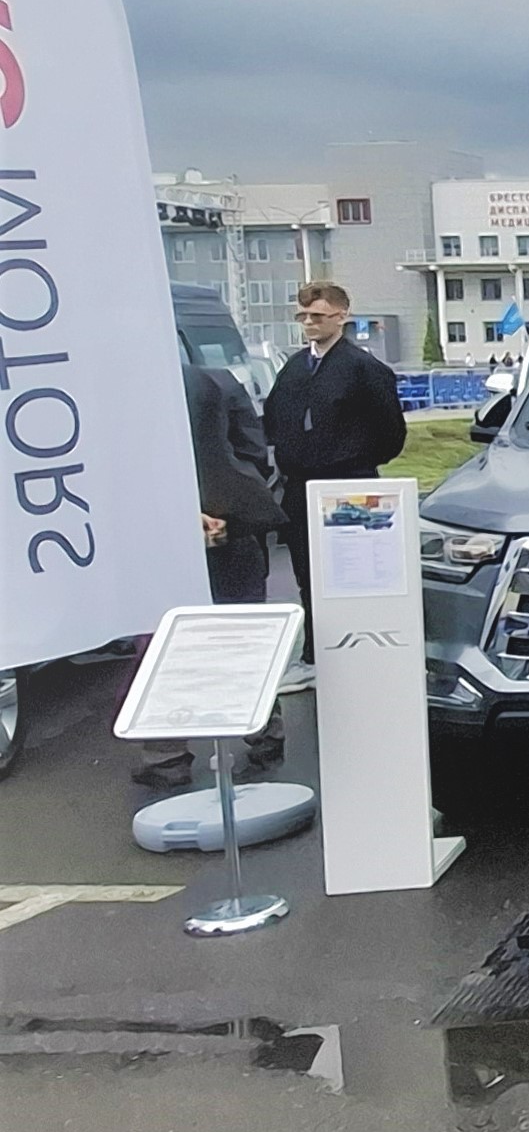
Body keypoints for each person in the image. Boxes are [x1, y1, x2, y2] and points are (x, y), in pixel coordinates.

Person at [132, 354, 291, 792]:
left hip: (157, 537)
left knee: (162, 642)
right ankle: (264, 732)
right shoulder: (219, 382)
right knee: (241, 635)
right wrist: (222, 510)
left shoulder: (121, 392)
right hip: (229, 530)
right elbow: (254, 453)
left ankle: (166, 755)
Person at [260, 282, 406, 636]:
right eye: (303, 316)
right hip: (300, 488)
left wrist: (354, 461)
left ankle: (359, 641)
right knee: (307, 573)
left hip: (349, 485)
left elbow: (390, 431)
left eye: (318, 316)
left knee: (354, 572)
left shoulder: (364, 369)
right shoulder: (294, 368)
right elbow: (275, 420)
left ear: (341, 317)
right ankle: (315, 646)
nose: (309, 323)